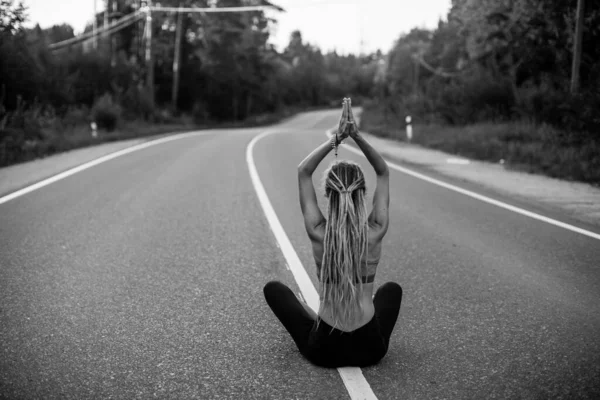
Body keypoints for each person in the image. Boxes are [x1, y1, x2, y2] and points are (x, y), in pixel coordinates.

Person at [263, 98, 403, 368]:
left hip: (325, 349)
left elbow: (304, 171)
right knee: (392, 290)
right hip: (370, 349)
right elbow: (383, 172)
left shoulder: (319, 232)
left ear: (328, 194)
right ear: (362, 194)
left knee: (274, 290)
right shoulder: (375, 231)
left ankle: (317, 318)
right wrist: (356, 137)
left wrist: (336, 138)